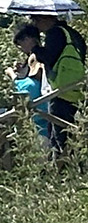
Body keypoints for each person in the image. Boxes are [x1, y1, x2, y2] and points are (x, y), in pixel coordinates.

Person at [28, 11, 86, 151]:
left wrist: (34, 48)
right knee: (73, 134)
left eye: (35, 21)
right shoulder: (72, 33)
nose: (36, 26)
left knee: (59, 139)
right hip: (76, 90)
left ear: (44, 18)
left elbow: (49, 57)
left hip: (61, 92)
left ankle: (63, 169)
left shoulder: (54, 33)